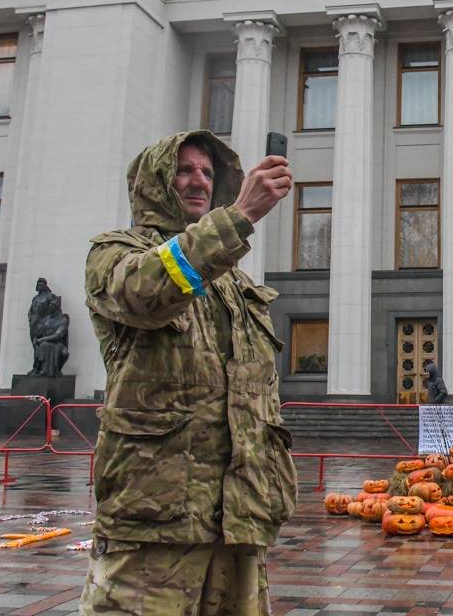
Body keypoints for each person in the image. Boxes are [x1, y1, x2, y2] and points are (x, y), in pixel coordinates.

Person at [79, 131, 295, 615]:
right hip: (155, 525)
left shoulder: (233, 282)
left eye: (207, 172)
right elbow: (148, 292)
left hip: (237, 522)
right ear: (156, 180)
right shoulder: (115, 252)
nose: (198, 180)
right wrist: (238, 219)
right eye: (184, 169)